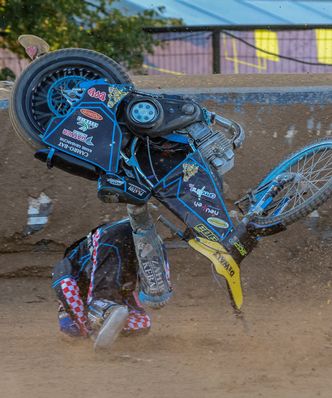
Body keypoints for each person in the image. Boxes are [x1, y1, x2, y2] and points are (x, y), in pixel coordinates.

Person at [52, 219, 153, 349]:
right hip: (115, 278)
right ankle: (104, 321)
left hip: (105, 256)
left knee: (139, 323)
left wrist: (87, 332)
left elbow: (66, 285)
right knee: (142, 325)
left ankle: (97, 319)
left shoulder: (66, 271)